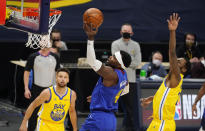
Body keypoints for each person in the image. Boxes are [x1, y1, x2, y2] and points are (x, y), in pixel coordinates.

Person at [140, 13, 191, 131]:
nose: (175, 62)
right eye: (175, 61)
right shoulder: (171, 78)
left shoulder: (177, 77)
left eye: (179, 62)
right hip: (157, 122)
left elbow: (172, 52)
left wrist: (172, 32)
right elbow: (168, 97)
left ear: (183, 70)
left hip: (163, 124)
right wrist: (153, 98)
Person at [80, 22, 131, 131]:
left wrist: (90, 38)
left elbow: (92, 61)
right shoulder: (124, 75)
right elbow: (125, 90)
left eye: (113, 57)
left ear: (119, 63)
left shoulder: (111, 73)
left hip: (99, 118)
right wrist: (100, 96)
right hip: (110, 118)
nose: (110, 57)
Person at [111, 23, 141, 131]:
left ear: (132, 33)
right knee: (113, 104)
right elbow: (115, 61)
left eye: (128, 31)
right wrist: (127, 62)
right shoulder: (115, 44)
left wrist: (123, 62)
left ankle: (129, 127)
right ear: (120, 32)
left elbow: (137, 62)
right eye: (124, 31)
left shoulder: (136, 45)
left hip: (130, 80)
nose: (126, 33)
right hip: (117, 79)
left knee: (130, 107)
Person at [24, 47, 60, 131]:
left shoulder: (55, 57)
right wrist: (26, 88)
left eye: (46, 40)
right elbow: (26, 72)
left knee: (51, 113)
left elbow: (58, 73)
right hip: (36, 89)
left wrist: (58, 88)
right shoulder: (33, 56)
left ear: (50, 43)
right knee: (33, 113)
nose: (44, 43)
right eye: (42, 40)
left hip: (50, 89)